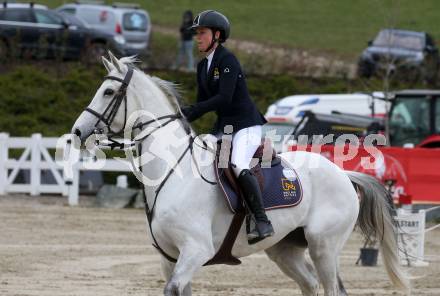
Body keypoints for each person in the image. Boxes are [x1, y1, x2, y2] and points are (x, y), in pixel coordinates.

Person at [181, 10, 274, 244]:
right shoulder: (203, 67)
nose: (198, 38)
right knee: (201, 158)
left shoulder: (227, 60)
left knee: (238, 163)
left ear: (217, 35)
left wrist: (193, 111)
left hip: (246, 125)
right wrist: (182, 119)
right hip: (224, 127)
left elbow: (224, 98)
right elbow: (202, 102)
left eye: (202, 33)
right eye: (197, 34)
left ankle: (261, 220)